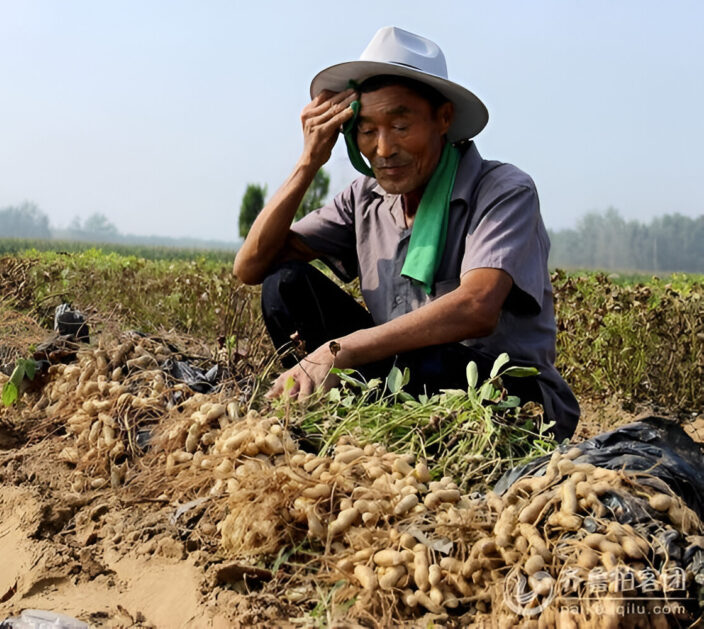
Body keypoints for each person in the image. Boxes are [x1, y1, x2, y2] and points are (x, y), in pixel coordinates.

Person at [233, 26, 579, 440]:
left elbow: (477, 306)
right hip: (403, 377)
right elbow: (251, 266)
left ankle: (374, 419)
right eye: (367, 130)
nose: (383, 148)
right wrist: (308, 162)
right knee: (284, 284)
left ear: (443, 119)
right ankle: (354, 424)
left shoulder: (503, 190)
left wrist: (338, 351)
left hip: (503, 393)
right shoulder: (365, 198)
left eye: (400, 126)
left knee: (435, 363)